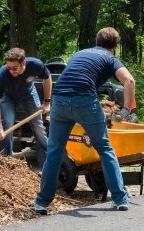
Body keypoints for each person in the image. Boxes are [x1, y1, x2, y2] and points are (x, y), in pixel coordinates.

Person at [32, 27, 135, 214]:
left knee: (55, 151)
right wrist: (126, 110)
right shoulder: (110, 57)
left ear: (97, 41)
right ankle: (120, 199)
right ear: (114, 46)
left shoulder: (80, 53)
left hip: (60, 98)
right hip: (84, 100)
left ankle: (42, 202)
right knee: (104, 148)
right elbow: (129, 81)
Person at [0, 47, 51, 169]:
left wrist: (47, 102)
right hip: (8, 97)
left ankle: (47, 167)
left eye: (14, 68)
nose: (11, 71)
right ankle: (5, 165)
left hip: (28, 93)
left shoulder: (35, 65)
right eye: (9, 68)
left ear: (23, 63)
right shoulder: (2, 75)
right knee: (7, 126)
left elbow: (47, 78)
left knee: (38, 127)